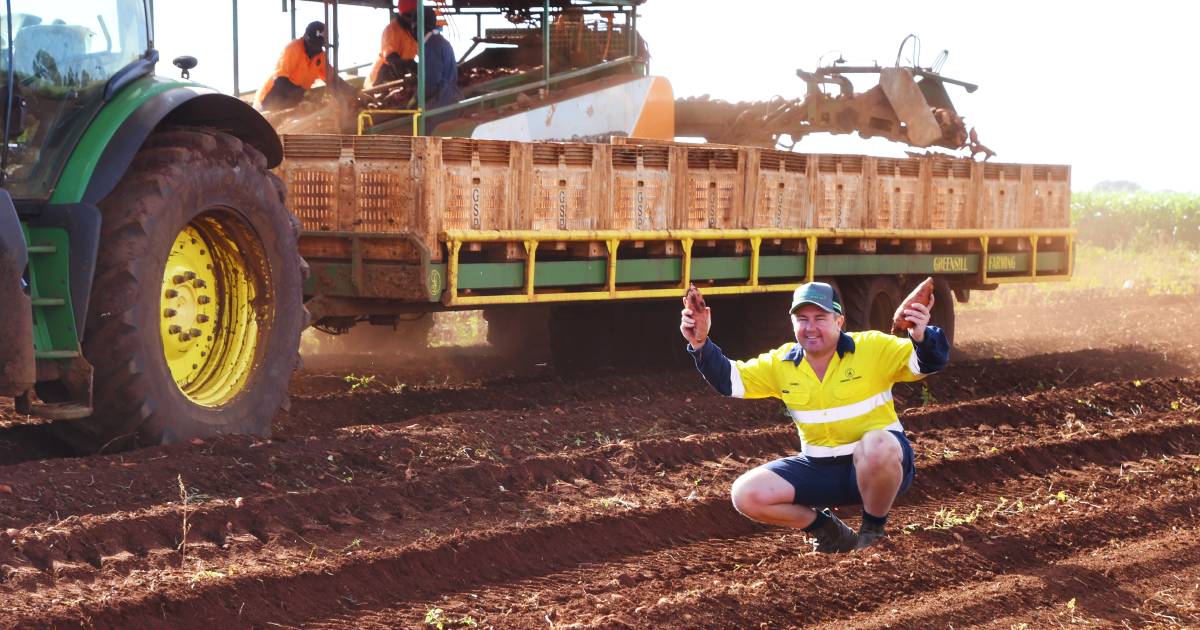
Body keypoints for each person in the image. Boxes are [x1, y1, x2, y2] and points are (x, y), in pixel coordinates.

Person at [679, 282, 949, 553]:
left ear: (839, 321)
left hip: (880, 467)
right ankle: (828, 530)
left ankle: (872, 532)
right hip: (821, 470)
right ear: (792, 323)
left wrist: (922, 336)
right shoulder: (782, 363)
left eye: (820, 318)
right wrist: (700, 342)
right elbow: (730, 380)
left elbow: (926, 362)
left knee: (878, 444)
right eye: (802, 319)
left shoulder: (872, 348)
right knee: (745, 494)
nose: (810, 327)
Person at [254, 21, 350, 112]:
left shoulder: (320, 57)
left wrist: (355, 92)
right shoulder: (292, 49)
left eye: (317, 46)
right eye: (311, 44)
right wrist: (304, 94)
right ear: (305, 37)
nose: (314, 49)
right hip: (268, 101)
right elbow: (280, 81)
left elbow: (333, 80)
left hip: (291, 103)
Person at [418, 7, 462, 129]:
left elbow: (431, 83)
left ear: (421, 26)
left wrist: (416, 98)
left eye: (413, 25)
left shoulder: (431, 47)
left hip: (440, 101)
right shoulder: (441, 42)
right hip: (449, 97)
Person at [364, 0, 419, 90]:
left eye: (415, 16)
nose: (413, 19)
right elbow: (391, 58)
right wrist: (411, 65)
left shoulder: (412, 32)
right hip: (381, 77)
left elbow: (422, 52)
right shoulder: (392, 30)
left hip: (399, 74)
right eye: (410, 15)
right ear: (402, 15)